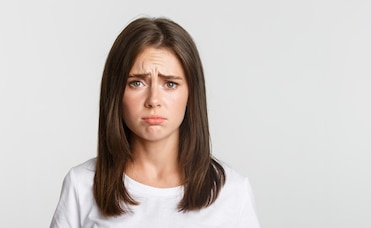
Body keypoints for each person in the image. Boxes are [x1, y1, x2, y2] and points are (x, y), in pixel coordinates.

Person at [50, 16, 260, 228]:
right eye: (137, 83)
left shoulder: (232, 191)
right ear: (115, 92)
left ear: (191, 93)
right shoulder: (82, 184)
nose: (153, 100)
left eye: (170, 84)